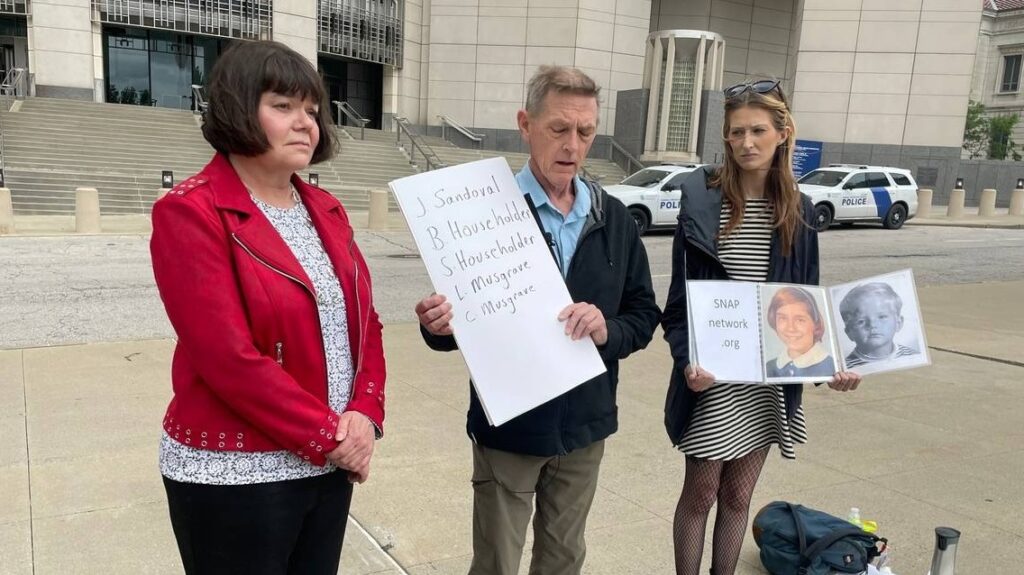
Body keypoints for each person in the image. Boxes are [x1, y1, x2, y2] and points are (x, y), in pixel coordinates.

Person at [149, 41, 386, 575]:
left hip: (327, 465)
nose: (306, 122)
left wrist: (366, 416)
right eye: (283, 106)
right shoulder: (190, 212)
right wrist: (331, 436)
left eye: (311, 110)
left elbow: (364, 324)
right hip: (234, 474)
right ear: (237, 106)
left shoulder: (324, 208)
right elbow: (227, 357)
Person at [414, 65, 660, 575]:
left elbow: (643, 314)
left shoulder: (613, 218)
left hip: (585, 425)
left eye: (586, 132)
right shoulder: (480, 211)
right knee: (497, 561)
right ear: (526, 124)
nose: (573, 144)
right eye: (559, 129)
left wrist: (607, 330)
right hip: (511, 426)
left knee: (564, 558)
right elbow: (460, 319)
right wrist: (437, 324)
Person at [661, 79, 861, 575]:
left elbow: (806, 302)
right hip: (713, 380)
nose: (747, 143)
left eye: (757, 130)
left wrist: (830, 366)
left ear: (782, 133)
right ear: (725, 139)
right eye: (736, 133)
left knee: (737, 496)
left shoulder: (801, 212)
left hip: (766, 380)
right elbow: (678, 306)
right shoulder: (702, 205)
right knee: (700, 494)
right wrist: (688, 362)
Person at [839, 282, 919, 368]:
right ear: (849, 332)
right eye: (861, 321)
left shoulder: (913, 357)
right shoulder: (846, 368)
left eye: (882, 317)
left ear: (898, 323)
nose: (872, 325)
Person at [764, 286, 836, 378]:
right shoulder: (769, 367)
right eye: (782, 318)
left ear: (816, 324)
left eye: (800, 320)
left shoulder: (831, 367)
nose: (790, 328)